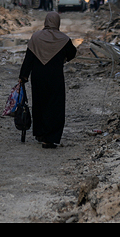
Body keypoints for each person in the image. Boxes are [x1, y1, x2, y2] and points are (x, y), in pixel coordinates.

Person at [19, 12, 77, 149]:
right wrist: (62, 58)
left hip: (38, 77)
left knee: (39, 104)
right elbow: (72, 53)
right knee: (55, 106)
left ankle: (40, 133)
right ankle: (50, 139)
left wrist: (23, 76)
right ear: (57, 22)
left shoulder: (35, 37)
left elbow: (29, 58)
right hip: (55, 77)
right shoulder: (63, 39)